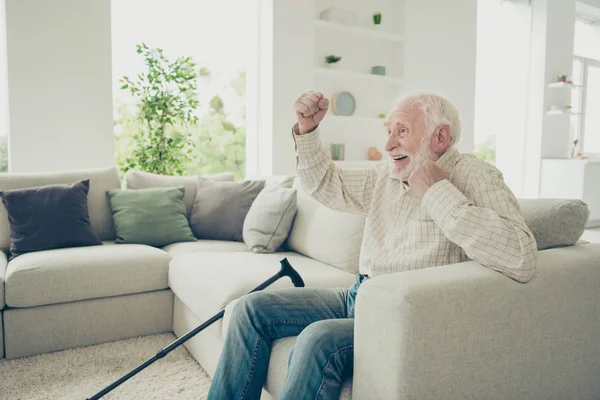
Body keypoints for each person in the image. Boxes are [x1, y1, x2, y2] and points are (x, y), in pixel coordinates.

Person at [207, 91, 537, 400]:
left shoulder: (476, 176)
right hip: (359, 294)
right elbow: (326, 183)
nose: (389, 143)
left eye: (402, 131)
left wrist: (438, 194)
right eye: (389, 130)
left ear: (441, 137)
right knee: (249, 309)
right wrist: (308, 130)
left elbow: (519, 255)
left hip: (408, 316)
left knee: (318, 339)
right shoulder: (386, 175)